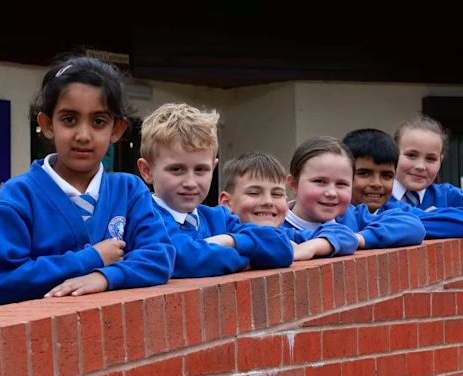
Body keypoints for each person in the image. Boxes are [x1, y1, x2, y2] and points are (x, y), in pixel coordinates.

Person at [0, 56, 175, 306]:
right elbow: (3, 282)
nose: (83, 135)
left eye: (98, 122)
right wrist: (90, 258)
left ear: (116, 130)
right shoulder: (17, 196)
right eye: (69, 119)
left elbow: (159, 258)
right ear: (48, 125)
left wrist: (105, 277)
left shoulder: (129, 191)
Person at [137, 103, 293, 277]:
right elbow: (187, 260)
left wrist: (229, 240)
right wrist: (246, 259)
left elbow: (281, 246)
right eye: (177, 169)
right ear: (147, 171)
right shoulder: (144, 218)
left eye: (201, 170)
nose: (190, 182)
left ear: (213, 167)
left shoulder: (219, 218)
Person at [283, 136, 425, 249]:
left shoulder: (353, 217)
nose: (332, 193)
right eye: (320, 181)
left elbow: (413, 226)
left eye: (342, 184)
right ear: (293, 184)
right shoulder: (274, 227)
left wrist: (357, 239)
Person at [218, 151, 359, 260]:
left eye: (277, 194)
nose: (268, 201)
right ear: (226, 203)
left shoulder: (285, 236)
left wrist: (310, 248)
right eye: (254, 193)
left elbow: (346, 235)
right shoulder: (214, 229)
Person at [343, 128, 463, 239]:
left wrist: (402, 225)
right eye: (364, 173)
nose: (377, 184)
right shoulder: (334, 211)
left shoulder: (393, 207)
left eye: (386, 176)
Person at [392, 114, 463, 209]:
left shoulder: (450, 198)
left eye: (431, 159)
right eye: (411, 155)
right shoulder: (373, 198)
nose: (420, 166)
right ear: (392, 154)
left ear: (440, 161)